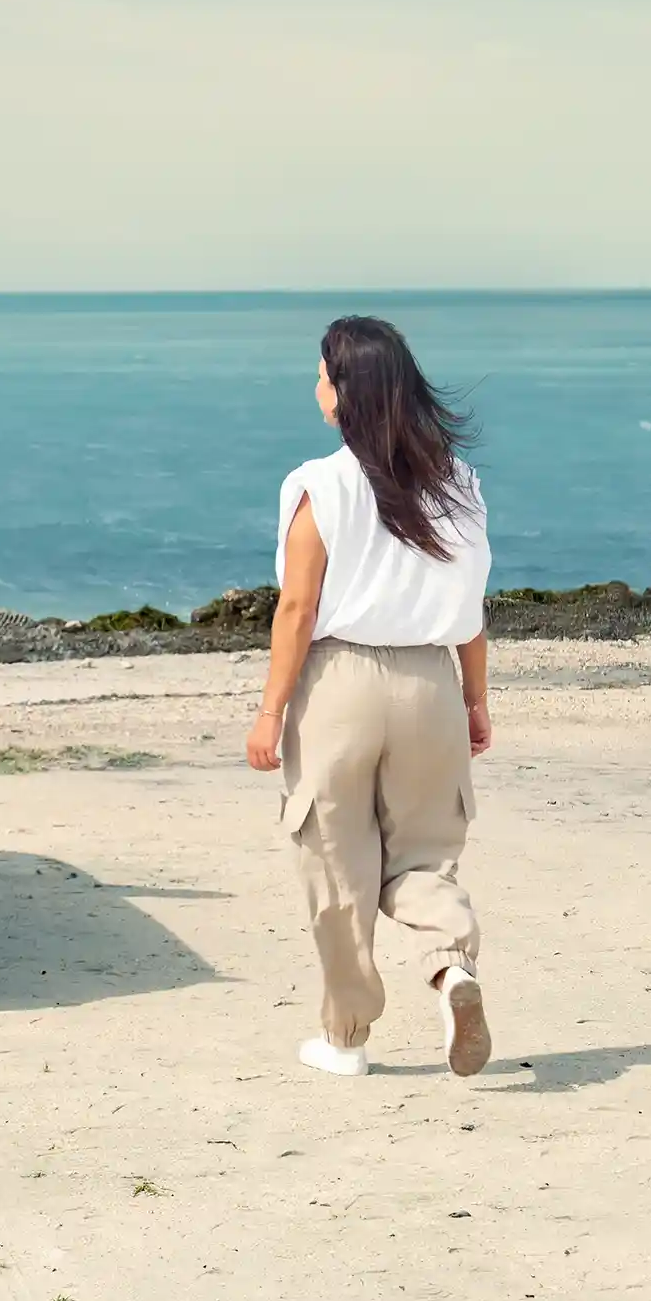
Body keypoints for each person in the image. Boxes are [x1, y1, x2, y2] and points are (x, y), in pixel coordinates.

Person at [244, 316, 494, 1079]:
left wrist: (269, 710)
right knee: (423, 857)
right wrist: (476, 701)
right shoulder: (457, 482)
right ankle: (451, 969)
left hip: (340, 686)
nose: (314, 385)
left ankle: (347, 1038)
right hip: (431, 680)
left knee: (338, 865)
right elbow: (472, 604)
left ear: (346, 392)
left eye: (321, 373)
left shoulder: (320, 484)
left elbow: (297, 608)